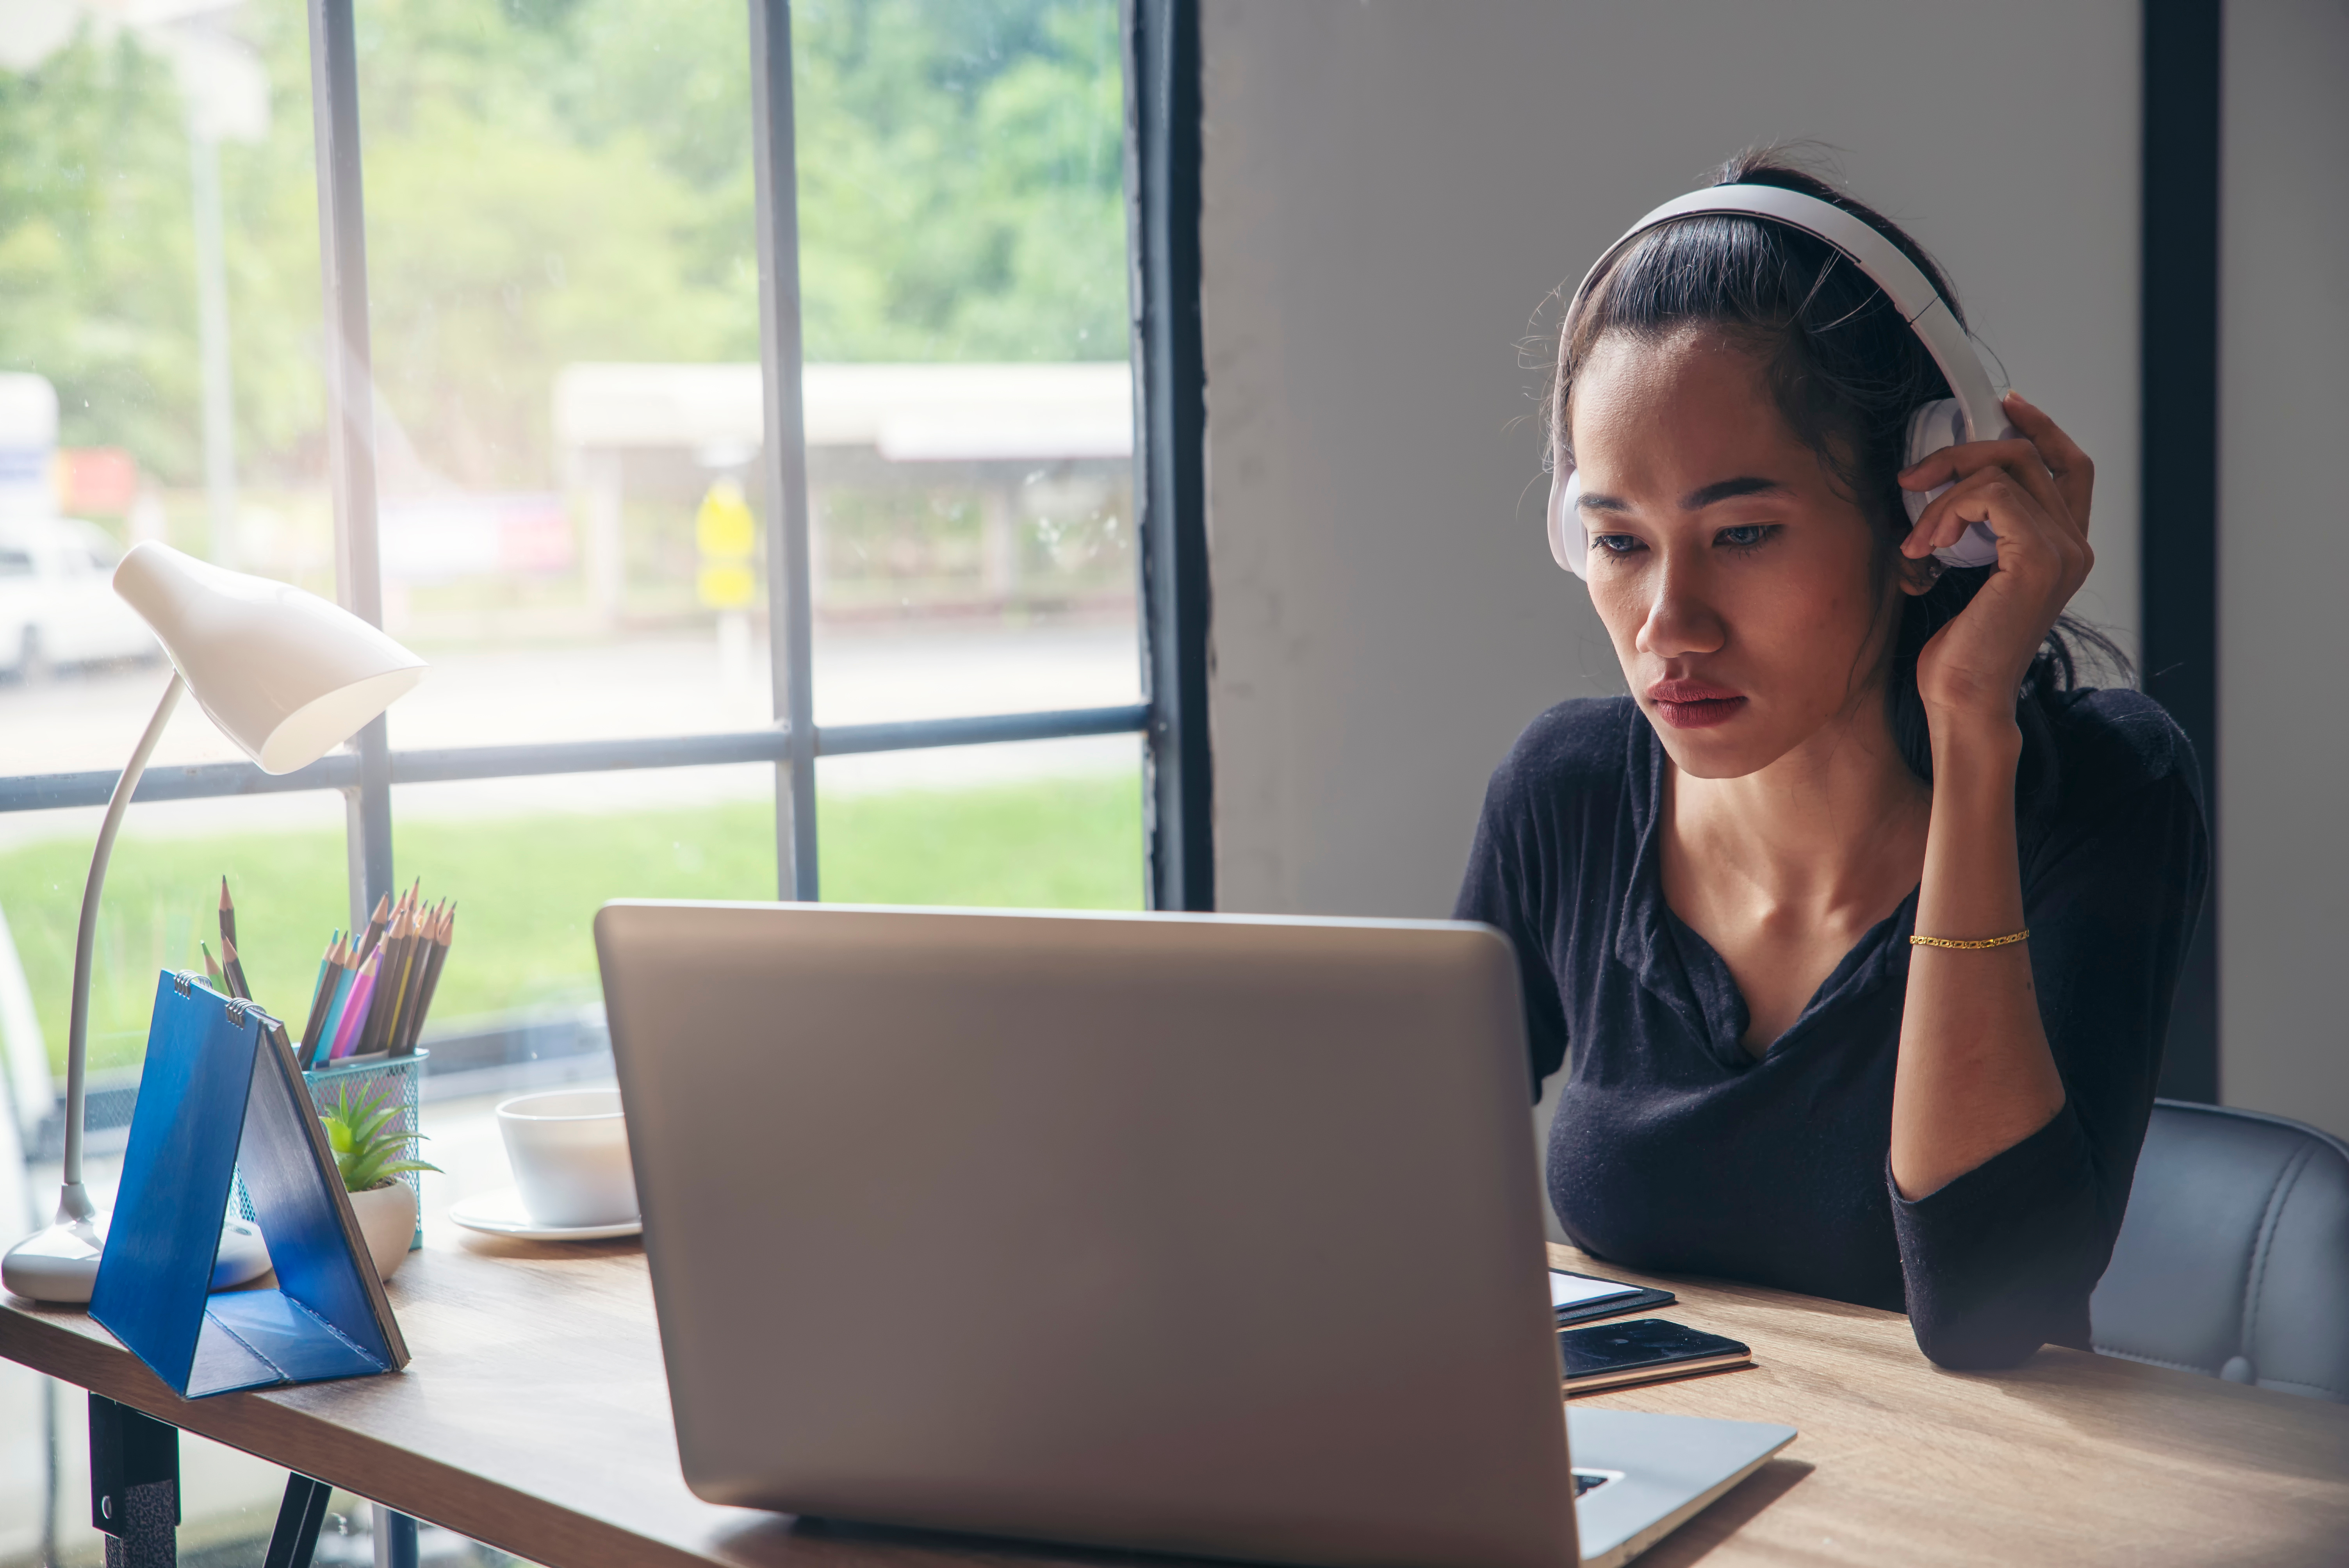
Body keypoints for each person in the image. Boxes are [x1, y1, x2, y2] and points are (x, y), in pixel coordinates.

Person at [1454, 151, 2209, 1370]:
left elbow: (1989, 1312)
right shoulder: (1569, 791)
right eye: (1618, 541)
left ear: (1925, 519)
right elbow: (1399, 1192)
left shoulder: (2104, 792)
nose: (1669, 624)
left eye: (1744, 533)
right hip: (1645, 1495)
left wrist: (1976, 725)